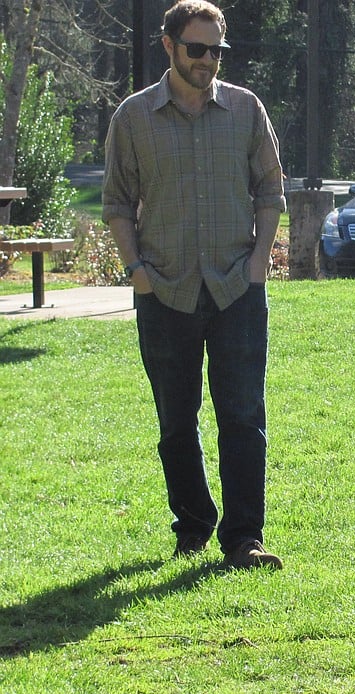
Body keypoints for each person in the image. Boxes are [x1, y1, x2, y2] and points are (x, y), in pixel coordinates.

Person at [102, 0, 286, 570]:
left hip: (236, 290)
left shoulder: (245, 110)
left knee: (242, 418)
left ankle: (243, 538)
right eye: (197, 48)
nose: (208, 60)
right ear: (169, 46)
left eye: (216, 50)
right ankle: (194, 523)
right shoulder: (132, 118)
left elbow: (270, 192)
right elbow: (115, 204)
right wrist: (138, 274)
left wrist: (258, 263)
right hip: (165, 292)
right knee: (176, 422)